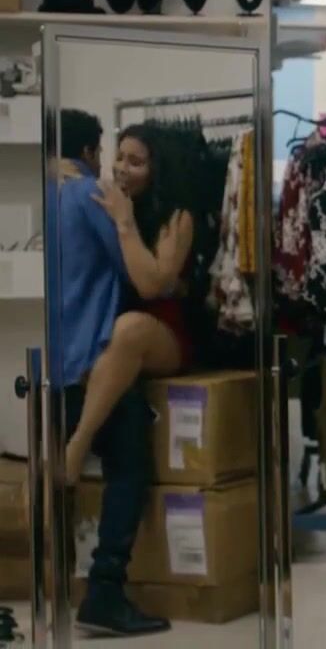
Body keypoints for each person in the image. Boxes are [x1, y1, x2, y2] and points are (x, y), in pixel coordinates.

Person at [54, 115, 172, 636]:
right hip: (91, 360)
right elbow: (141, 275)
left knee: (60, 476)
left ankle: (56, 584)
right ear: (88, 150)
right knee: (128, 469)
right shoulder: (91, 196)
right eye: (110, 154)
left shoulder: (39, 191)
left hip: (47, 368)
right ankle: (104, 590)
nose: (115, 166)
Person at [64, 123, 196, 487]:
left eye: (135, 162)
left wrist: (125, 224)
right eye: (119, 157)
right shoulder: (109, 199)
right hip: (113, 334)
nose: (122, 168)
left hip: (165, 335)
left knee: (129, 328)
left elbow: (150, 286)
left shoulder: (177, 217)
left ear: (157, 170)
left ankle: (77, 444)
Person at [59, 108, 103, 181]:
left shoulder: (44, 181)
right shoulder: (94, 186)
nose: (100, 165)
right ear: (88, 152)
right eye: (99, 153)